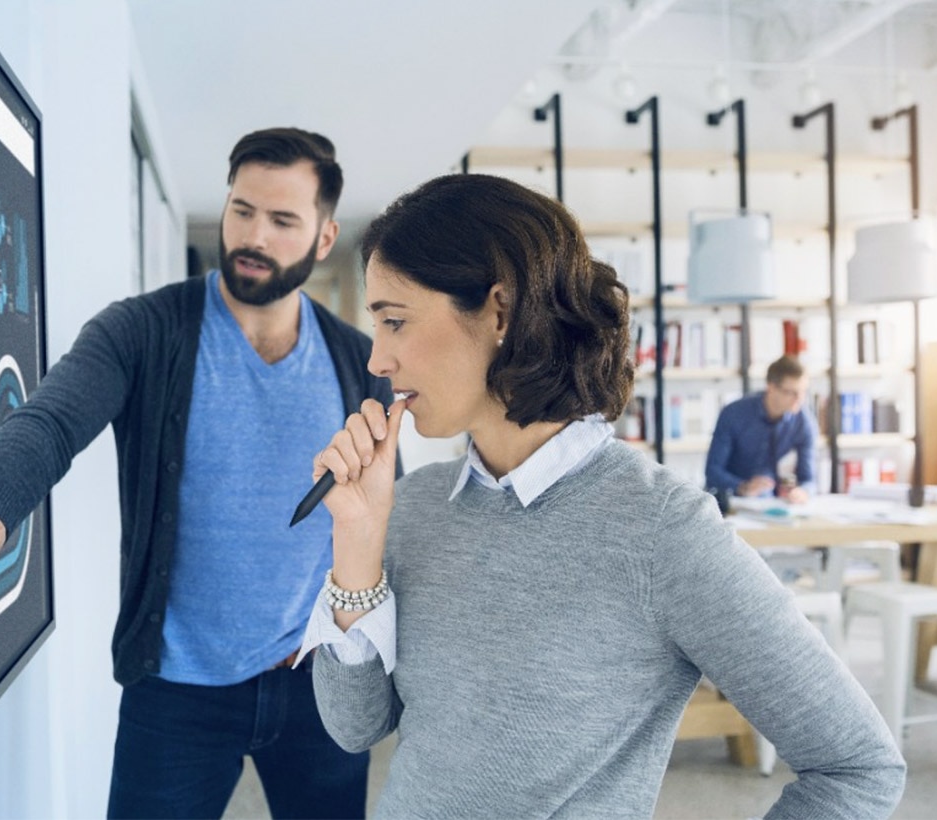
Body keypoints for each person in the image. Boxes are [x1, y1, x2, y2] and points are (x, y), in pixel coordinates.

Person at [295, 173, 905, 817]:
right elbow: (354, 727)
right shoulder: (413, 503)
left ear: (500, 312)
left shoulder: (661, 530)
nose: (377, 360)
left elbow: (856, 767)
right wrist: (357, 543)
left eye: (394, 321)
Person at [0, 128, 393, 819]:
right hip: (177, 692)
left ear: (322, 236)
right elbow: (47, 424)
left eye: (282, 221)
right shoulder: (142, 332)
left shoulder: (360, 363)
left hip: (317, 683)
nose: (254, 235)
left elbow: (378, 522)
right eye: (241, 209)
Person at [706, 355, 819, 504]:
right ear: (771, 388)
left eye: (803, 391)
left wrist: (802, 492)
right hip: (729, 501)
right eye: (791, 392)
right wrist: (743, 487)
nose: (799, 399)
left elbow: (809, 479)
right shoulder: (733, 413)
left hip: (772, 503)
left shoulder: (804, 422)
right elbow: (713, 472)